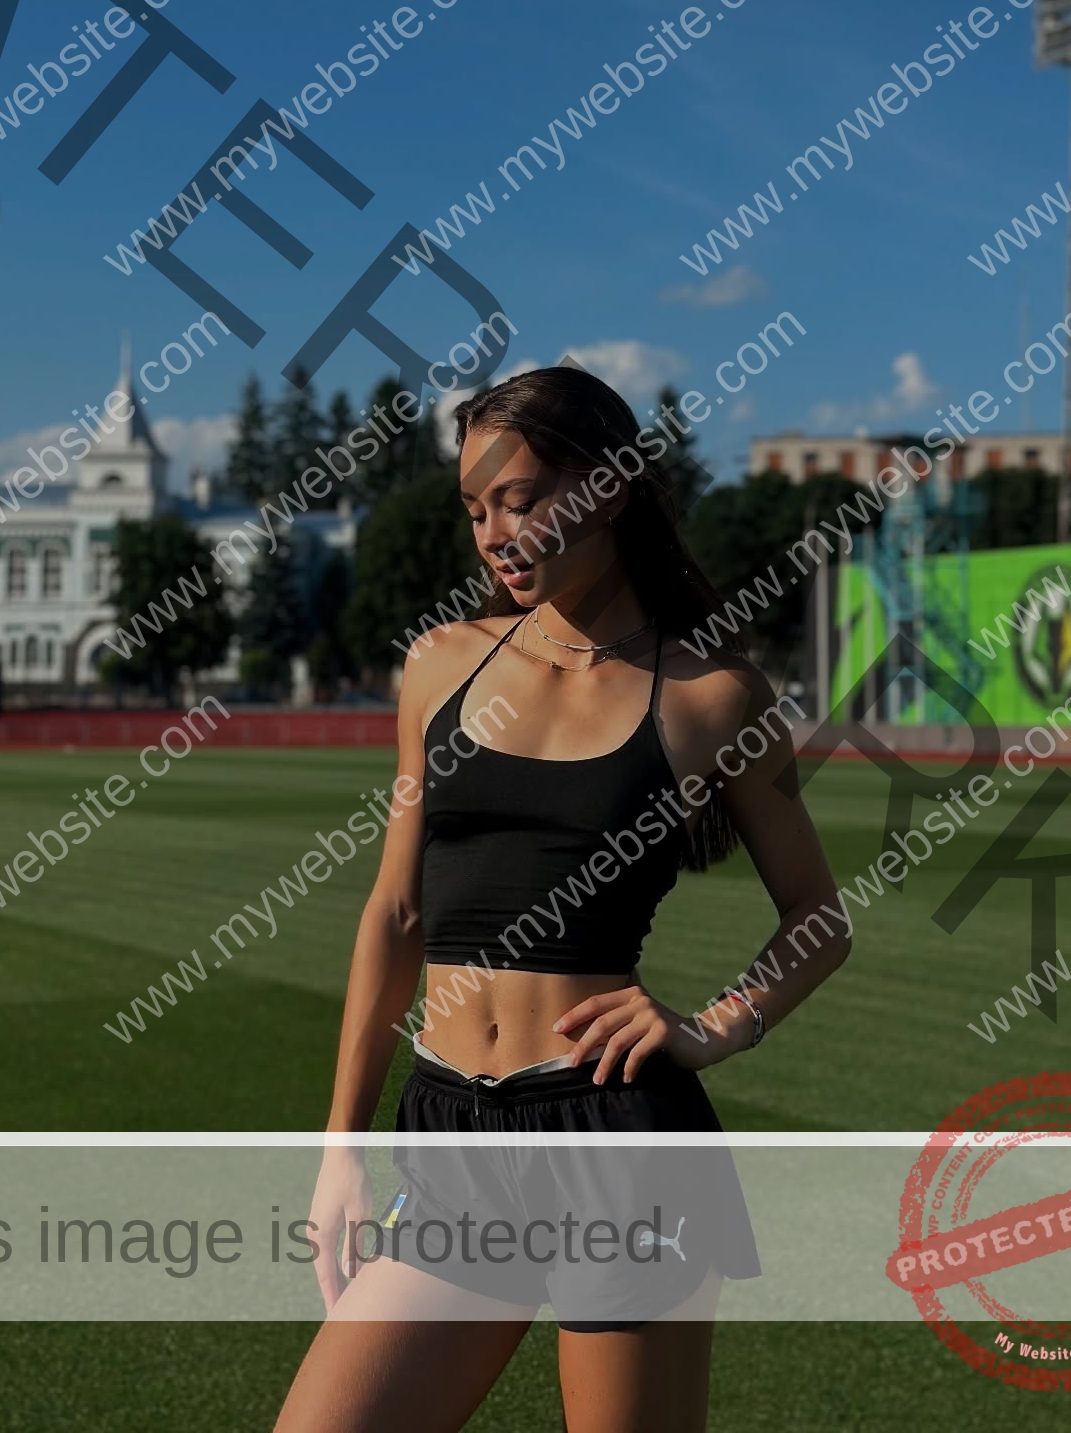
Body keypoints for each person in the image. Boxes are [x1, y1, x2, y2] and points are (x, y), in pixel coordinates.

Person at [273, 366, 848, 1433]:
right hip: (450, 1134)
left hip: (619, 1147)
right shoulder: (440, 665)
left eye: (523, 500)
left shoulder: (713, 694)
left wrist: (716, 1027)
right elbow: (396, 914)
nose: (495, 532)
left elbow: (818, 917)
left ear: (612, 487)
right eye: (476, 509)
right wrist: (339, 1152)